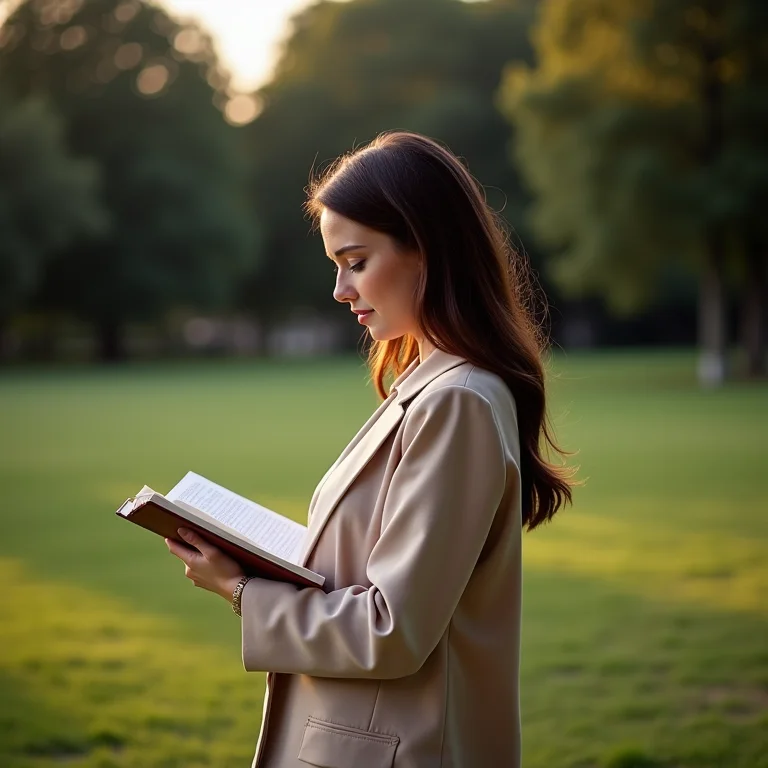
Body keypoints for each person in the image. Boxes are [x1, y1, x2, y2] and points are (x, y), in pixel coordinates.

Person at [166, 131, 575, 768]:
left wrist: (244, 591)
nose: (340, 289)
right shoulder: (427, 383)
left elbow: (392, 629)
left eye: (356, 262)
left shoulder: (457, 401)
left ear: (428, 251)